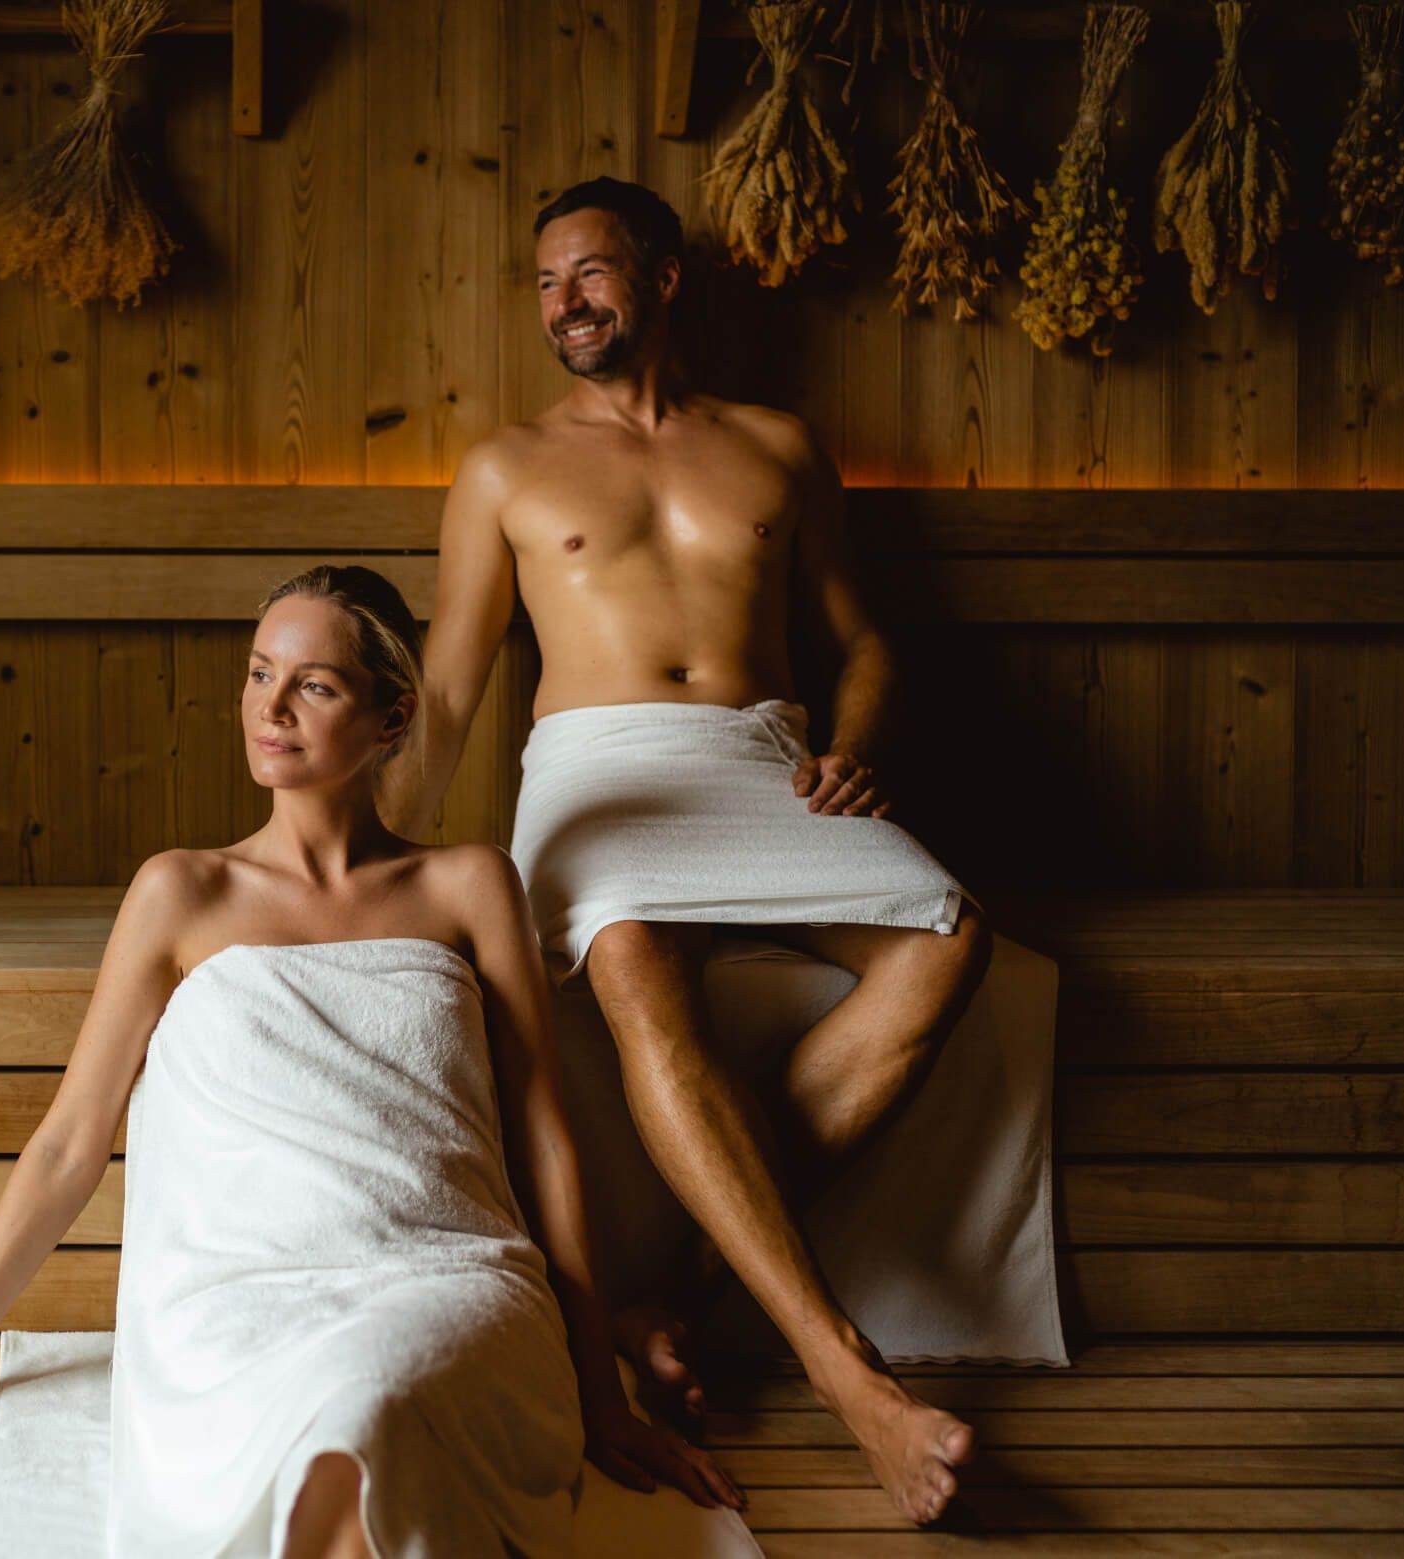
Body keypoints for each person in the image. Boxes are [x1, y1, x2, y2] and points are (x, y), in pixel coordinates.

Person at [0, 564, 741, 1557]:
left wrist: (599, 1394)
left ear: (391, 717)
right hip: (234, 1293)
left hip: (441, 1271)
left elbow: (542, 1136)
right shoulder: (180, 892)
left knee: (372, 1403)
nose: (270, 707)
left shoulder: (467, 884)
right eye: (258, 672)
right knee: (347, 1446)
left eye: (314, 684)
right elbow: (69, 1143)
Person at [379, 176, 987, 1527]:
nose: (564, 304)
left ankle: (687, 1300)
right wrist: (374, 855)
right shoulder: (507, 468)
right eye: (544, 283)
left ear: (662, 280)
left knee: (951, 937)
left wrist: (854, 737)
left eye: (590, 274)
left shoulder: (777, 445)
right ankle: (853, 1378)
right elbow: (459, 684)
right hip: (601, 776)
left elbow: (868, 639)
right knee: (636, 957)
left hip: (766, 762)